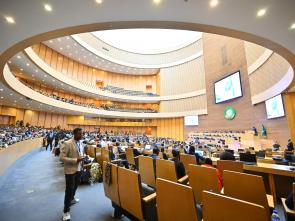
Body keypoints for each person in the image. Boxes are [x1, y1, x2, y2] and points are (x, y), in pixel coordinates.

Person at [60, 128, 85, 221]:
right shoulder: (67, 143)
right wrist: (76, 160)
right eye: (79, 134)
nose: (81, 135)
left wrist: (82, 160)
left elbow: (80, 153)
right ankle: (66, 211)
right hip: (70, 170)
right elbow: (62, 158)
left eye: (82, 134)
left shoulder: (81, 143)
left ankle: (72, 198)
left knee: (76, 186)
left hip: (79, 169)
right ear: (74, 134)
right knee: (69, 190)